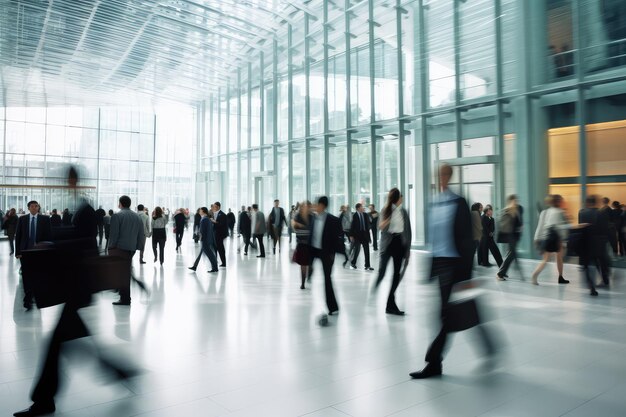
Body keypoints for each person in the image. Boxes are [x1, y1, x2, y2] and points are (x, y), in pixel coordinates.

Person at [12, 166, 117, 417]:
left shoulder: (86, 209)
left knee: (55, 344)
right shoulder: (80, 206)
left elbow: (87, 243)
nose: (66, 182)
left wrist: (53, 242)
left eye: (68, 178)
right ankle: (119, 371)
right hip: (77, 287)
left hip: (79, 286)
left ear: (74, 180)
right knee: (71, 342)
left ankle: (44, 400)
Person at [410, 164, 494, 379]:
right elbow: (434, 239)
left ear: (450, 176)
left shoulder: (458, 202)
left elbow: (466, 239)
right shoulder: (434, 202)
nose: (443, 178)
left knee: (447, 315)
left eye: (446, 174)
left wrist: (466, 273)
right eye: (440, 175)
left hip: (456, 265)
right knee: (456, 312)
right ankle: (488, 346)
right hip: (440, 264)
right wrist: (429, 270)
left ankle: (433, 363)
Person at [374, 188, 412, 315]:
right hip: (388, 244)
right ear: (397, 198)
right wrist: (389, 217)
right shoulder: (386, 210)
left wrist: (408, 249)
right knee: (383, 271)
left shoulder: (404, 212)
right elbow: (380, 226)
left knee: (396, 275)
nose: (402, 199)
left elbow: (408, 231)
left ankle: (390, 305)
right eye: (401, 197)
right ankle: (377, 288)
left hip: (399, 244)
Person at [15, 200, 52, 310]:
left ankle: (36, 295)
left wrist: (48, 251)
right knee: (26, 275)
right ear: (28, 208)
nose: (35, 208)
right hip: (25, 252)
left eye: (36, 206)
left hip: (39, 252)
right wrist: (17, 252)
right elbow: (18, 236)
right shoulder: (22, 219)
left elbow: (49, 236)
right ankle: (28, 298)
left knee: (37, 274)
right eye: (32, 206)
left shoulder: (45, 219)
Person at [309, 196, 343, 316]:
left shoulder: (333, 220)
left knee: (327, 279)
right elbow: (311, 236)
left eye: (316, 204)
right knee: (310, 269)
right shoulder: (313, 218)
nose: (314, 206)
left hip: (326, 253)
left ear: (322, 206)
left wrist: (333, 253)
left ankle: (332, 306)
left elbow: (337, 239)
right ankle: (309, 273)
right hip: (314, 251)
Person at [108, 195, 144, 306]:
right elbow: (141, 234)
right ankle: (124, 296)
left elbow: (114, 234)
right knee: (125, 273)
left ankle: (125, 298)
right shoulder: (137, 217)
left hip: (119, 248)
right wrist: (138, 247)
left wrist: (111, 247)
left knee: (121, 273)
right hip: (131, 249)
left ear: (120, 203)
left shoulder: (117, 216)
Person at [531, 194, 572, 285]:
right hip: (554, 238)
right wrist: (565, 239)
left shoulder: (544, 212)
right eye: (561, 200)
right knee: (549, 259)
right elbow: (560, 227)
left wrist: (536, 238)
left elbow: (540, 226)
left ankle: (560, 277)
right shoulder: (559, 212)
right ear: (558, 202)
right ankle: (535, 275)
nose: (562, 202)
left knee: (557, 257)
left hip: (545, 237)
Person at [578, 195, 609, 296]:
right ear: (596, 202)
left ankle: (591, 287)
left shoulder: (582, 213)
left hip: (586, 242)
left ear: (587, 203)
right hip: (599, 242)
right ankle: (605, 279)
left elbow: (580, 228)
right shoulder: (601, 213)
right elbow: (605, 229)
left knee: (587, 265)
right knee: (601, 261)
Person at [496, 195, 524, 281]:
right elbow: (504, 224)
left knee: (511, 254)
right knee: (512, 254)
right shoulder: (507, 210)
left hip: (515, 236)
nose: (516, 202)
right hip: (510, 235)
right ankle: (500, 274)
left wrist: (521, 226)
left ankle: (502, 272)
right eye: (514, 200)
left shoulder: (517, 210)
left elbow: (518, 222)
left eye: (516, 200)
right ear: (510, 201)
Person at [291, 201, 313, 289]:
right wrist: (296, 224)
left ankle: (310, 273)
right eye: (304, 206)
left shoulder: (312, 217)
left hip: (310, 244)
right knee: (303, 265)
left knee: (310, 264)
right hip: (301, 244)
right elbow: (294, 227)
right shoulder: (297, 216)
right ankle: (303, 283)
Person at [189, 207, 218, 273]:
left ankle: (215, 268)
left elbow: (202, 231)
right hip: (206, 239)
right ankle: (194, 266)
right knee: (201, 254)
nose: (199, 211)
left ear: (203, 211)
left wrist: (200, 237)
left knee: (210, 254)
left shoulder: (204, 219)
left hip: (205, 240)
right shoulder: (206, 218)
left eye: (200, 210)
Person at [349, 203, 373, 271]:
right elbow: (352, 226)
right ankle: (353, 263)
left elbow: (368, 225)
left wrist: (369, 236)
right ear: (358, 208)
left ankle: (367, 265)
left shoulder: (365, 215)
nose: (363, 208)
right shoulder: (354, 215)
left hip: (365, 235)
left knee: (367, 250)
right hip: (357, 236)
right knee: (357, 250)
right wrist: (351, 235)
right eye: (362, 207)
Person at [212, 202, 228, 266]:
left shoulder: (223, 215)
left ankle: (224, 262)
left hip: (220, 234)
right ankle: (215, 261)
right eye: (213, 206)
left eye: (214, 206)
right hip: (215, 234)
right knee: (214, 248)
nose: (213, 207)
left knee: (220, 248)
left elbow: (221, 225)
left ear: (218, 207)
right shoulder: (214, 213)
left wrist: (214, 222)